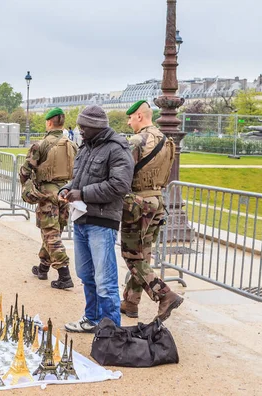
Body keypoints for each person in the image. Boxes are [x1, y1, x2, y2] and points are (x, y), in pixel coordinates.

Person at [59, 105, 134, 333]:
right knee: (86, 275)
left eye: (84, 126)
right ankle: (91, 319)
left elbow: (120, 185)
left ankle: (111, 331)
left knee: (105, 281)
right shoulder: (87, 146)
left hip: (102, 222)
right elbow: (78, 179)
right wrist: (67, 189)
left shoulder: (117, 148)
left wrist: (82, 194)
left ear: (96, 127)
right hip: (82, 219)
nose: (80, 129)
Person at [120, 100, 183, 321]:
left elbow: (123, 174)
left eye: (130, 118)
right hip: (157, 200)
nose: (128, 122)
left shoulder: (137, 141)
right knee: (143, 253)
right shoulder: (167, 141)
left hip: (138, 202)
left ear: (139, 116)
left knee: (132, 256)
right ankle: (130, 302)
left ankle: (165, 295)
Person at [20, 107, 78, 289]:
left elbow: (25, 170)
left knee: (50, 234)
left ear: (49, 122)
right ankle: (43, 267)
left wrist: (28, 188)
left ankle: (64, 275)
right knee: (55, 231)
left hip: (47, 193)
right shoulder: (72, 144)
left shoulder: (41, 145)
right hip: (65, 193)